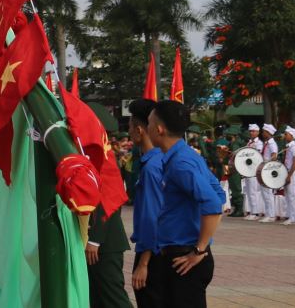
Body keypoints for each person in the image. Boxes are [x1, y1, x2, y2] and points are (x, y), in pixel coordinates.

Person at [145, 100, 224, 308]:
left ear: (159, 129)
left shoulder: (181, 163)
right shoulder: (184, 156)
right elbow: (217, 191)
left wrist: (199, 249)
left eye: (149, 124)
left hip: (185, 258)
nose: (147, 129)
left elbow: (214, 204)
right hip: (178, 255)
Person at [126, 99, 163, 308]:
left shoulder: (152, 167)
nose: (130, 133)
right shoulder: (163, 159)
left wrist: (143, 263)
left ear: (140, 130)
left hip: (152, 253)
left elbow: (152, 217)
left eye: (130, 127)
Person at [86, 182, 133, 308]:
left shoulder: (105, 162)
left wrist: (95, 239)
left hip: (105, 244)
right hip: (96, 240)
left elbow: (108, 199)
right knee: (96, 297)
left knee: (113, 297)